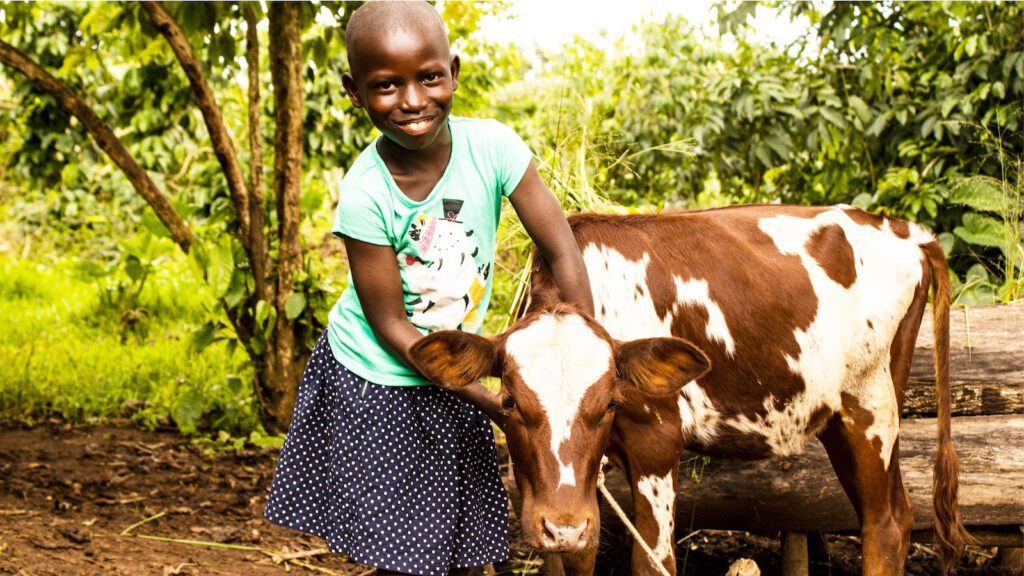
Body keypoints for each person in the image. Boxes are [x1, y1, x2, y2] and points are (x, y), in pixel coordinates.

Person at [264, 2, 593, 575]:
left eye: (430, 77)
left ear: (454, 71)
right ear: (354, 91)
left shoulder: (493, 149)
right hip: (381, 379)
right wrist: (490, 399)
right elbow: (392, 327)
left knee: (465, 548)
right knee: (406, 555)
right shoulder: (365, 192)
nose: (413, 101)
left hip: (452, 364)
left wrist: (583, 351)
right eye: (386, 86)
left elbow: (561, 248)